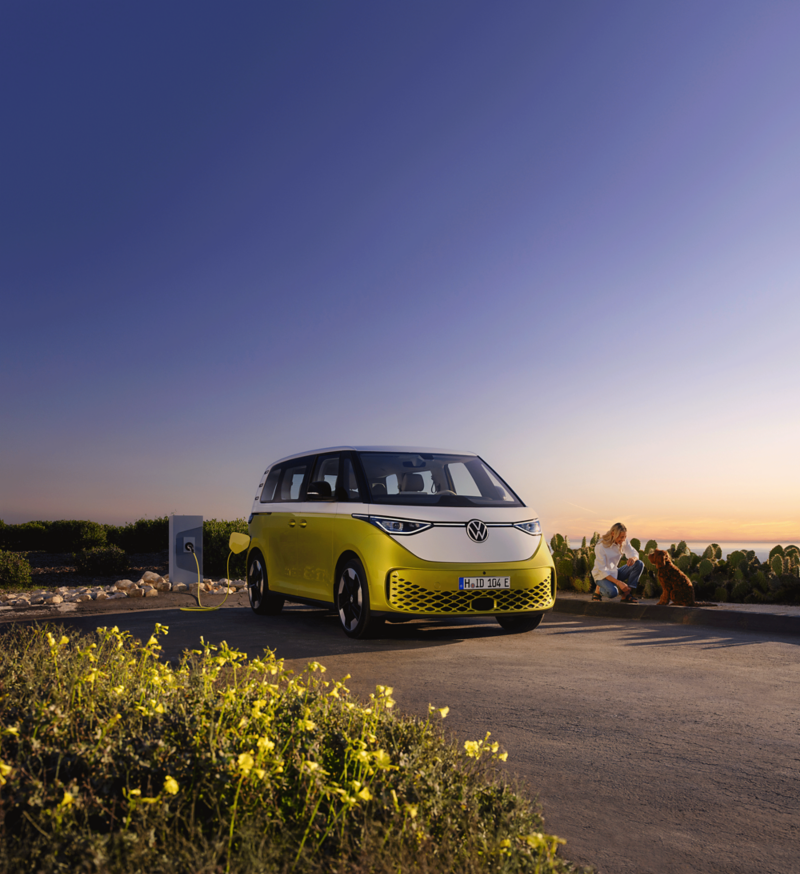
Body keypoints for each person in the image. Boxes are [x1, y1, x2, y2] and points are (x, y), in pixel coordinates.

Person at [591, 522, 643, 603]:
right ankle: (598, 589)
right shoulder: (601, 545)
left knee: (639, 564)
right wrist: (619, 583)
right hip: (601, 576)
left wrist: (633, 558)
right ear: (613, 534)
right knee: (612, 593)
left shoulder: (623, 541)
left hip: (614, 573)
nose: (623, 539)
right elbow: (602, 570)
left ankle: (626, 594)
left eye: (625, 537)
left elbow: (634, 553)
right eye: (621, 537)